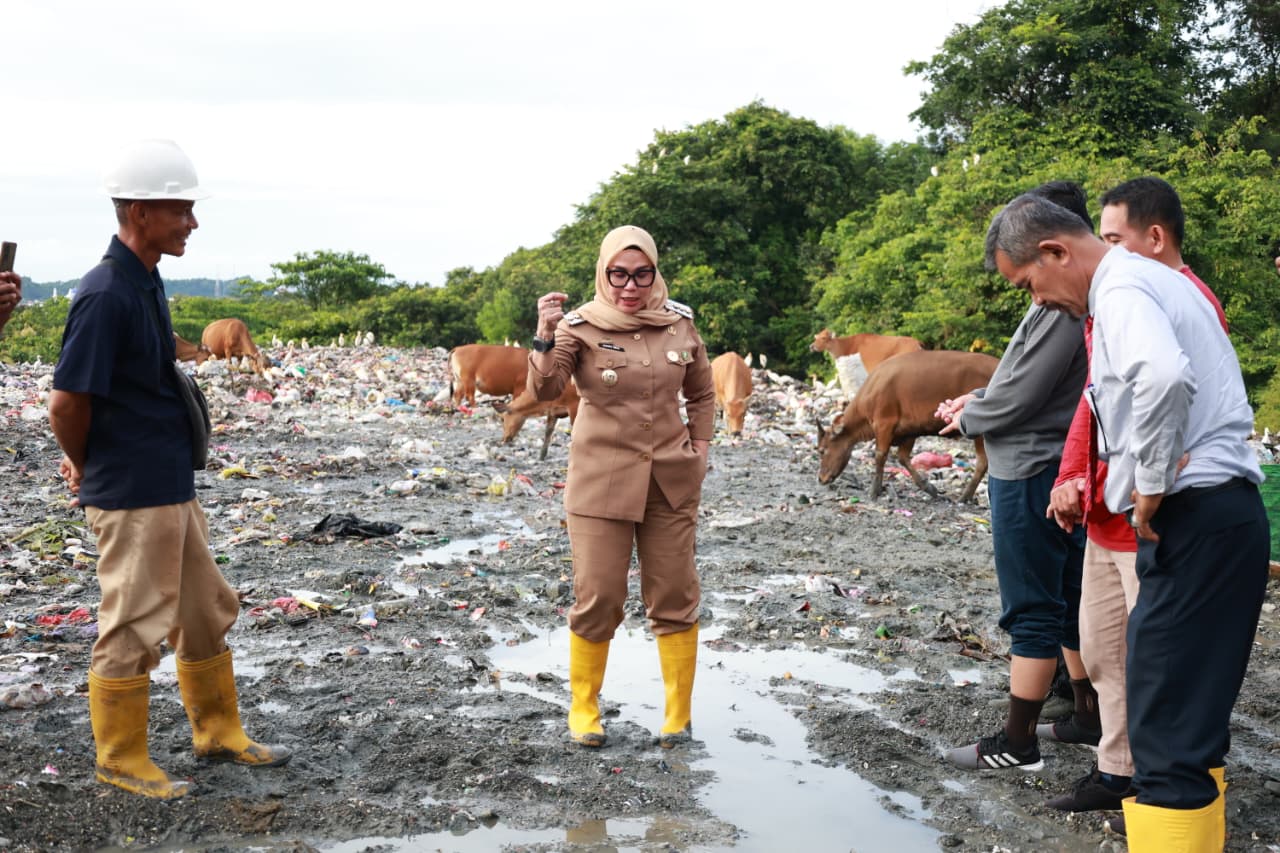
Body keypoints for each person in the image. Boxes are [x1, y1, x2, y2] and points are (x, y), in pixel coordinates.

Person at [986, 192, 1268, 852]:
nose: (1037, 301)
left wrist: (1149, 480)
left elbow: (1164, 377)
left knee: (1165, 731)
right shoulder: (1152, 279)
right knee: (1183, 720)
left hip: (1195, 516)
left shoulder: (1119, 289)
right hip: (1221, 515)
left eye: (1029, 283)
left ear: (1056, 251)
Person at [47, 139, 290, 799]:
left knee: (205, 607)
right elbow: (67, 400)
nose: (192, 221)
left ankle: (217, 729)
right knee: (134, 620)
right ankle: (121, 756)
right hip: (130, 491)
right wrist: (82, 459)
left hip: (167, 482)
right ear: (139, 211)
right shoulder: (104, 293)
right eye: (179, 208)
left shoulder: (145, 279)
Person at [1044, 177, 1231, 821]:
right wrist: (1075, 474)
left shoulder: (1167, 299)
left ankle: (1153, 781)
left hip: (1156, 515)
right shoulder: (1116, 303)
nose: (1108, 252)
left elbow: (1171, 389)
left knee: (1159, 665)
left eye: (1115, 238)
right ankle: (1124, 770)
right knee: (1102, 651)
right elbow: (1094, 403)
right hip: (1110, 508)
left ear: (1153, 239)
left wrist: (1150, 483)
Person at [527, 224, 714, 748]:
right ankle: (584, 710)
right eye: (618, 274)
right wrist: (543, 334)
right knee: (601, 597)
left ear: (655, 272)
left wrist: (699, 451)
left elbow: (702, 394)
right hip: (600, 483)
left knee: (675, 596)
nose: (630, 286)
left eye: (641, 274)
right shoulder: (578, 327)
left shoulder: (680, 325)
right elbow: (544, 389)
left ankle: (678, 716)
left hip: (670, 483)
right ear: (603, 273)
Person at [937, 181, 1090, 772]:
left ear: (1052, 245)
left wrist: (973, 412)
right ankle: (1085, 713)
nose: (1030, 289)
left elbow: (1023, 395)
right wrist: (978, 397)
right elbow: (1015, 382)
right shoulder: (1056, 301)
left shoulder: (1061, 305)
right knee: (1070, 597)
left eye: (1024, 274)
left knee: (1032, 604)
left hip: (1031, 468)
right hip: (1047, 465)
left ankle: (1018, 742)